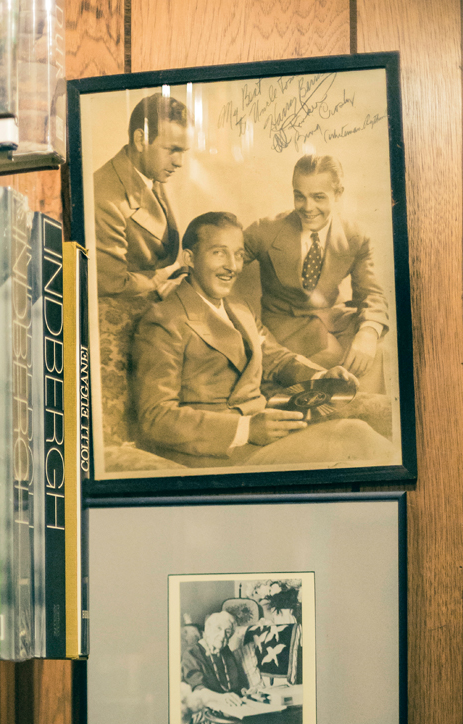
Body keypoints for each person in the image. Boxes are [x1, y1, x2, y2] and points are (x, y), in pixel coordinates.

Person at [131, 211, 395, 467]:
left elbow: (277, 359)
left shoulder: (238, 306)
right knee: (353, 438)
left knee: (357, 431)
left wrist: (320, 378)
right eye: (218, 253)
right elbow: (156, 417)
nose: (232, 267)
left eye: (238, 255)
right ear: (189, 258)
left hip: (263, 436)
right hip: (216, 455)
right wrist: (246, 429)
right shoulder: (163, 321)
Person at [92, 93, 190, 445]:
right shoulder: (105, 194)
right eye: (172, 150)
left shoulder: (153, 175)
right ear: (139, 139)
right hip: (119, 322)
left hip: (154, 308)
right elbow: (111, 281)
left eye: (183, 151)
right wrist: (160, 281)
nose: (178, 162)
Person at [243, 154, 389, 377]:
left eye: (318, 197)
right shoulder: (266, 230)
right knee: (334, 356)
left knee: (376, 349)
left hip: (330, 318)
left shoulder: (355, 236)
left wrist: (368, 333)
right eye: (299, 197)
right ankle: (339, 408)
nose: (308, 207)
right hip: (286, 324)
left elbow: (372, 293)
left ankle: (366, 410)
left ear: (338, 194)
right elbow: (224, 255)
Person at [180, 611, 246, 724]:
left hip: (233, 709)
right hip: (210, 711)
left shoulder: (226, 652)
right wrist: (221, 698)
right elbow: (198, 689)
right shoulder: (192, 654)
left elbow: (235, 684)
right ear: (208, 629)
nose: (222, 635)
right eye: (218, 628)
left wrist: (244, 691)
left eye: (227, 631)